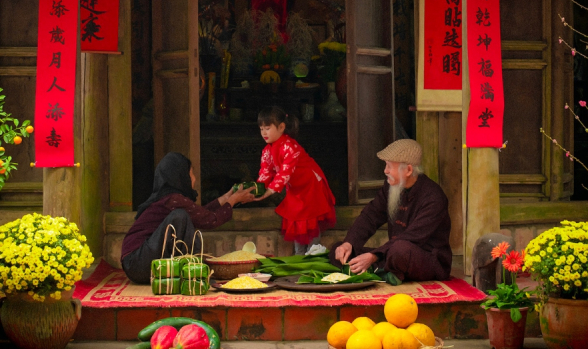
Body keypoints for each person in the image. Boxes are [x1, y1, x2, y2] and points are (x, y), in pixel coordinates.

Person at [121, 152, 256, 284]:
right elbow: (210, 220)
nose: (194, 179)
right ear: (181, 176)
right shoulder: (173, 199)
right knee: (180, 216)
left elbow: (201, 214)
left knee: (183, 216)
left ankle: (191, 270)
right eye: (191, 173)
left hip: (137, 264)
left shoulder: (169, 198)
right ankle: (193, 270)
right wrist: (232, 201)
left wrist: (226, 198)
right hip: (137, 262)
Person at [330, 139, 452, 282]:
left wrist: (373, 256)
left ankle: (382, 270)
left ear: (408, 170)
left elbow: (412, 238)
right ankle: (382, 270)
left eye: (389, 166)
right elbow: (370, 216)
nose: (385, 171)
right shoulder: (390, 187)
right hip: (390, 253)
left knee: (400, 250)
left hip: (425, 260)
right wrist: (349, 243)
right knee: (338, 251)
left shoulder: (434, 197)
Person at [254, 106, 337, 255]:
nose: (263, 133)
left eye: (267, 128)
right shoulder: (267, 151)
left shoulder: (290, 146)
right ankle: (299, 256)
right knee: (296, 219)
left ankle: (313, 254)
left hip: (311, 185)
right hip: (295, 189)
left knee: (311, 220)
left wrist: (269, 191)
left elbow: (285, 172)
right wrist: (256, 190)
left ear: (281, 127)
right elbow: (265, 172)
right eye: (261, 129)